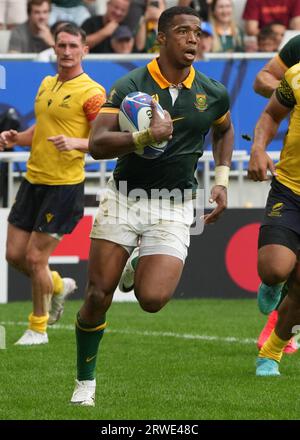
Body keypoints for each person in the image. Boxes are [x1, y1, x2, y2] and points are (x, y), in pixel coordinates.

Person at [70, 5, 234, 407]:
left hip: (176, 205)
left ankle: (137, 262)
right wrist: (144, 136)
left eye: (197, 32)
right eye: (183, 31)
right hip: (126, 197)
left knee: (153, 300)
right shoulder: (131, 84)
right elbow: (96, 144)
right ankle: (84, 384)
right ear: (160, 38)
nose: (193, 39)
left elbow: (225, 130)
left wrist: (223, 180)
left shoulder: (212, 92)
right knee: (96, 296)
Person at [0, 23, 106, 346]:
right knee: (13, 254)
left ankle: (38, 328)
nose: (67, 52)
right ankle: (58, 286)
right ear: (55, 48)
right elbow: (42, 129)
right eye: (61, 45)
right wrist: (17, 138)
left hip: (63, 186)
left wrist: (75, 143)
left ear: (85, 50)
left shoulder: (92, 92)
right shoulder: (47, 83)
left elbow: (102, 141)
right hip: (34, 179)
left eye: (74, 46)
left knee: (35, 259)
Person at [248, 61, 300, 376]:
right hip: (290, 189)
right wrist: (258, 147)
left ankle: (272, 352)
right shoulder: (295, 75)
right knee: (274, 268)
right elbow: (271, 115)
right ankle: (274, 281)